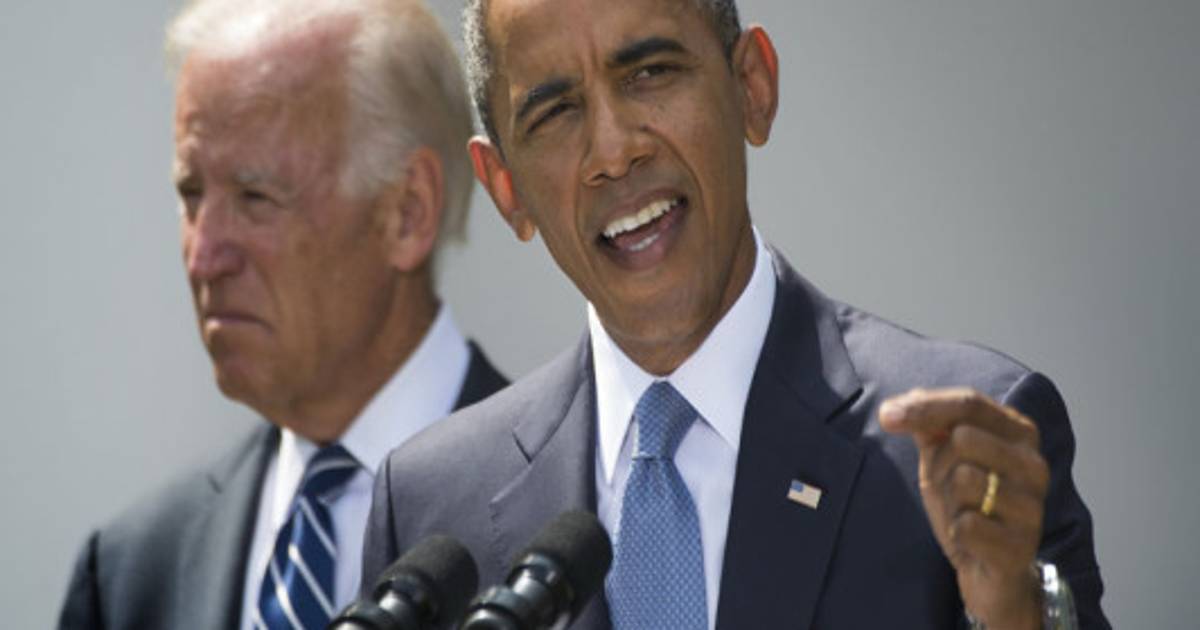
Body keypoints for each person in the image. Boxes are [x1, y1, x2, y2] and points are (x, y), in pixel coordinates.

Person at [363, 0, 1108, 628]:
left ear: (752, 87)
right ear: (505, 189)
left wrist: (1014, 613)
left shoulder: (968, 450)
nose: (613, 152)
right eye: (556, 111)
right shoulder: (430, 506)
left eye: (650, 73)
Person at [56, 1, 508, 628]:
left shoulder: (577, 507)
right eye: (191, 195)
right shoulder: (131, 573)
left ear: (408, 211)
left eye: (255, 197)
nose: (203, 257)